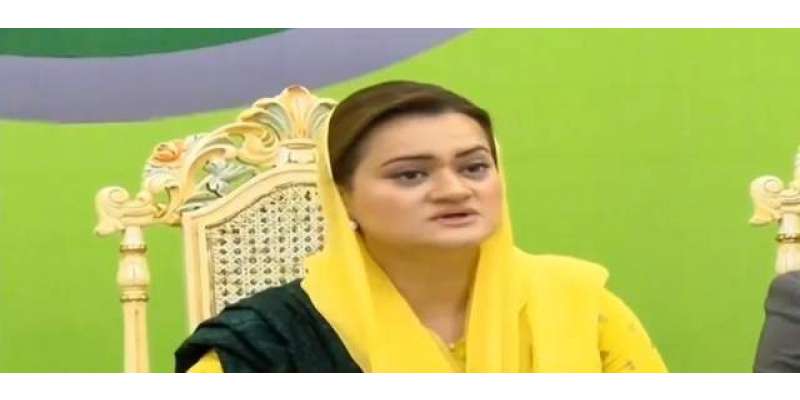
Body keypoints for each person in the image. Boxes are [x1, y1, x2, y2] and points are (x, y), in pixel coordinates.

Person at [174, 81, 667, 372]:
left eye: (475, 167)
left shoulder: (578, 303)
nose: (454, 190)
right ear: (342, 198)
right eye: (411, 174)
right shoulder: (267, 344)